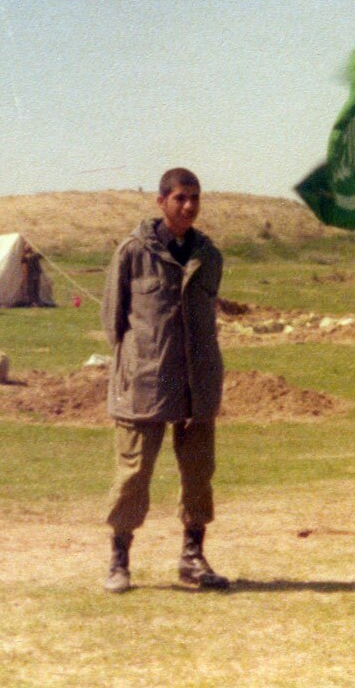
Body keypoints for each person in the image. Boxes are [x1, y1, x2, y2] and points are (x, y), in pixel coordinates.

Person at [100, 167, 229, 593]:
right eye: (180, 198)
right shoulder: (133, 251)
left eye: (195, 198)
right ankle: (119, 560)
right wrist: (137, 363)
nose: (189, 206)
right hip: (146, 380)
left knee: (198, 473)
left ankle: (192, 558)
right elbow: (113, 321)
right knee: (134, 473)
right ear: (161, 202)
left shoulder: (209, 255)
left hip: (198, 381)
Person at [21, 243, 43, 307]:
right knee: (36, 289)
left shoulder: (25, 258)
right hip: (37, 274)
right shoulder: (35, 256)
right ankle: (37, 302)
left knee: (31, 290)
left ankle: (32, 303)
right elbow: (41, 255)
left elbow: (25, 268)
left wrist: (24, 278)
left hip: (31, 275)